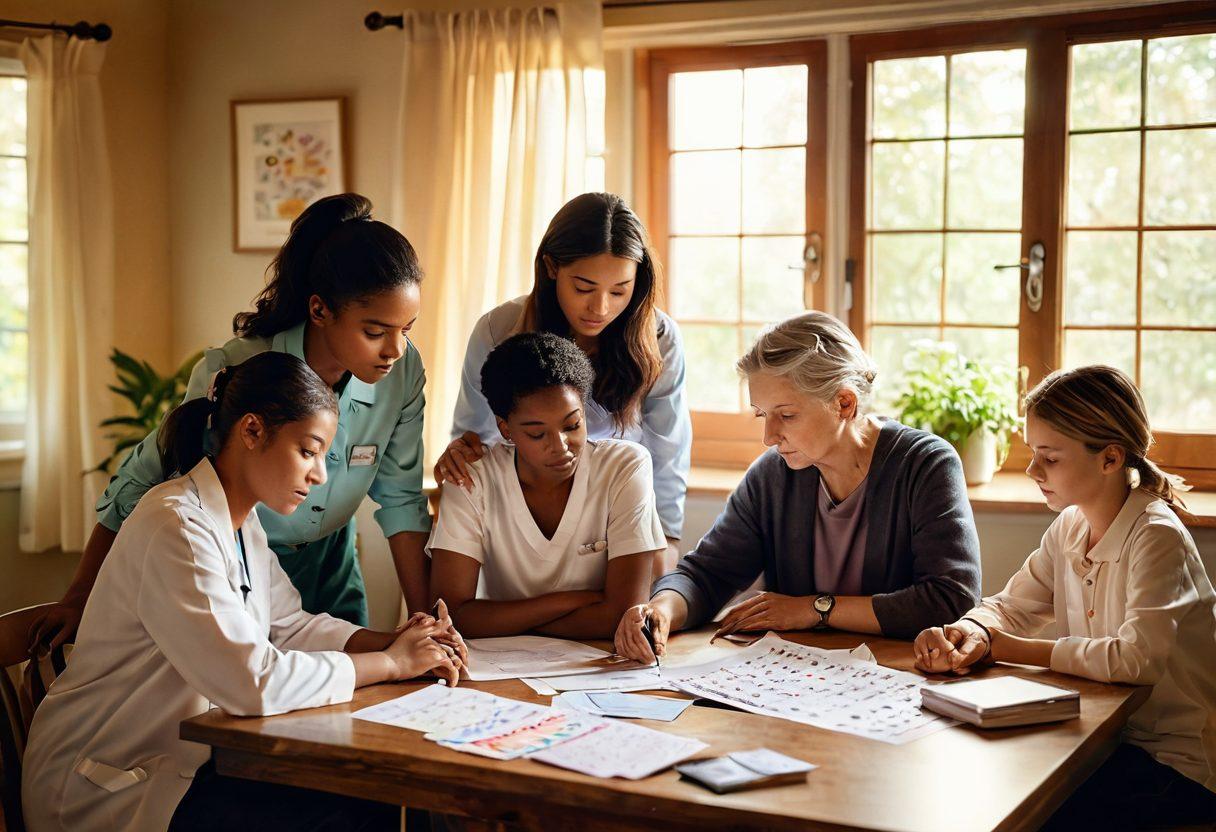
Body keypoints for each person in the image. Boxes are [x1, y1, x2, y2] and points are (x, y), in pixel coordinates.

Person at [21, 353, 465, 832]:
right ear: (251, 431)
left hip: (187, 762)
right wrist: (393, 664)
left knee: (371, 793)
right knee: (349, 807)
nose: (320, 476)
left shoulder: (240, 520)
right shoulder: (176, 526)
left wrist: (400, 642)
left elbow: (290, 624)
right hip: (110, 782)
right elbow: (252, 681)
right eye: (308, 451)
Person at [32, 193, 434, 643]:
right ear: (320, 310)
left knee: (352, 695)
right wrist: (78, 596)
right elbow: (142, 478)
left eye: (407, 330)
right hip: (242, 559)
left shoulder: (403, 372)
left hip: (332, 563)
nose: (395, 350)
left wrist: (425, 623)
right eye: (375, 331)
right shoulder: (240, 370)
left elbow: (401, 499)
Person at [913, 365, 1216, 830]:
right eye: (1033, 453)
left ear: (1110, 459)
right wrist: (971, 630)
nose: (1033, 469)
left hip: (1176, 761)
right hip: (1105, 740)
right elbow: (1013, 606)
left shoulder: (1156, 536)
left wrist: (1007, 647)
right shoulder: (1071, 526)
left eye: (1050, 458)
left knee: (1026, 810)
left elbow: (1137, 661)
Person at [614, 311, 982, 664]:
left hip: (897, 679)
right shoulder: (773, 475)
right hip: (798, 682)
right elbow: (707, 574)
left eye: (786, 415)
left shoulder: (926, 464)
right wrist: (660, 609)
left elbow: (952, 600)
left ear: (844, 403)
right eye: (762, 414)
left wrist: (815, 608)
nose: (768, 436)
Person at [435, 192, 690, 577]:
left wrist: (667, 538)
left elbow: (667, 447)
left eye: (620, 290)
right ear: (552, 267)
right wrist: (458, 457)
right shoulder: (499, 330)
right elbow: (476, 440)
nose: (600, 308)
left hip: (618, 512)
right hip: (524, 514)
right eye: (584, 288)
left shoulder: (658, 336)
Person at [428, 332, 663, 638]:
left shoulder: (624, 467)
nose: (561, 446)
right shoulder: (471, 477)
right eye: (537, 434)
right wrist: (571, 601)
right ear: (505, 429)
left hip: (599, 662)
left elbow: (624, 614)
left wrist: (509, 622)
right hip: (505, 668)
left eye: (572, 425)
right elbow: (452, 615)